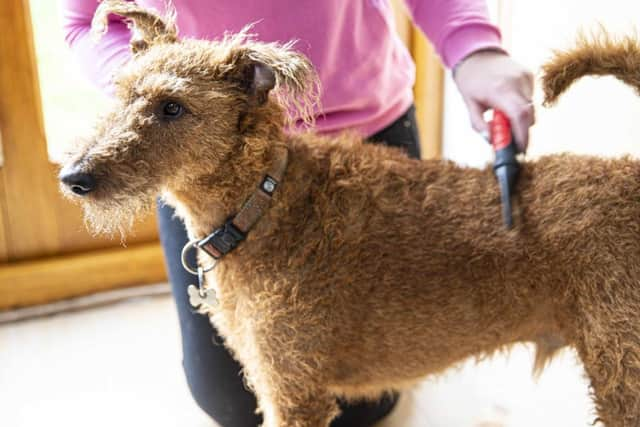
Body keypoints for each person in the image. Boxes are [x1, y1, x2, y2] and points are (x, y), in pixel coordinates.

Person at [60, 1, 534, 426]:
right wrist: (164, 89)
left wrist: (474, 48)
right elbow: (83, 20)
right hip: (209, 161)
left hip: (368, 123)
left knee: (363, 401)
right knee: (230, 400)